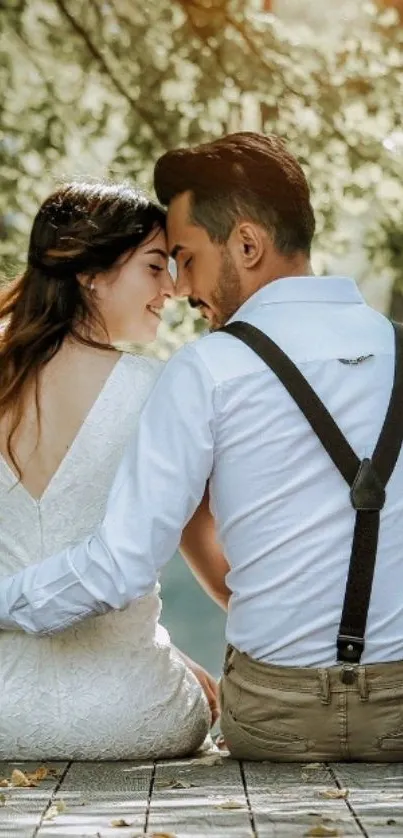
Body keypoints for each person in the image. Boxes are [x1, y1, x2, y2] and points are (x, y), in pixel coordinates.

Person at [1, 132, 403, 762]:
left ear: (246, 244)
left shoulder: (207, 370)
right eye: (160, 264)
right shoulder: (397, 349)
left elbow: (122, 565)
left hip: (275, 717)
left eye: (183, 257)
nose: (181, 289)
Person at [0, 181, 218, 760]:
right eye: (154, 266)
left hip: (2, 712)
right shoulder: (157, 389)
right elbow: (205, 560)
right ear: (90, 273)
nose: (171, 288)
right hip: (130, 714)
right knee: (190, 691)